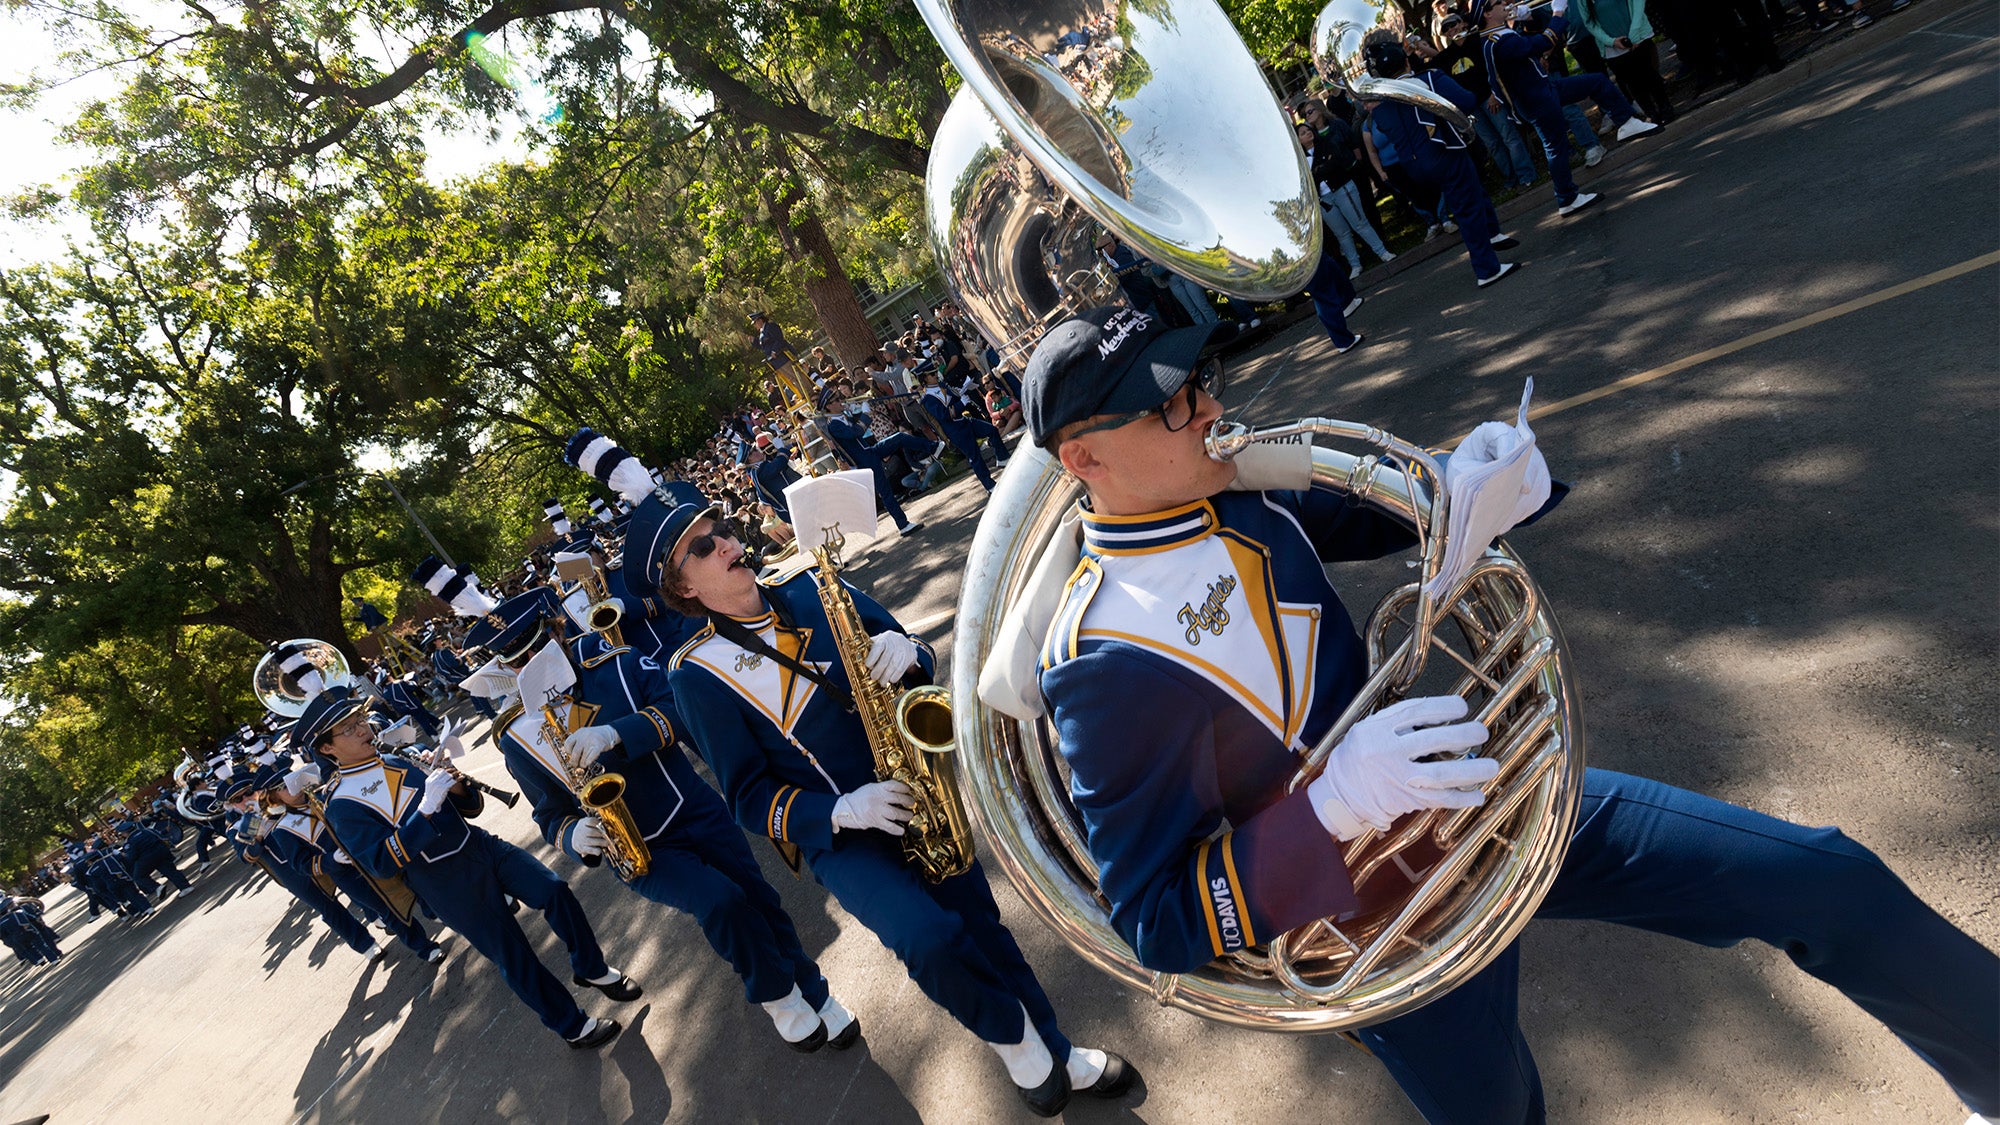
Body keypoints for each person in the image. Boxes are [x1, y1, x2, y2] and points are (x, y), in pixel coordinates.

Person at [1017, 306, 2000, 1124]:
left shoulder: (1242, 494)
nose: (1212, 409)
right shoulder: (1098, 662)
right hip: (1372, 930)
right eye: (1175, 402)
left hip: (1479, 807)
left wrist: (1483, 477)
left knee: (1826, 882)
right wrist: (1331, 808)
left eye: (1201, 381)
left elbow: (1409, 506)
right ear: (1084, 456)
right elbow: (1154, 921)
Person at [658, 504, 1136, 1117]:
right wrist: (842, 811)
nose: (724, 543)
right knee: (928, 939)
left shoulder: (809, 582)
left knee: (982, 927)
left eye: (721, 530)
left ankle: (1060, 1051)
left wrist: (903, 649)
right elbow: (749, 798)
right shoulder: (694, 672)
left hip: (916, 787)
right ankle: (1014, 1041)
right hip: (843, 835)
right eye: (701, 548)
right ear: (685, 588)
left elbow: (916, 654)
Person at [471, 576, 861, 1052]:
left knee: (759, 899)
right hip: (635, 846)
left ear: (556, 631)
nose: (531, 667)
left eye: (539, 649)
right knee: (720, 902)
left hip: (690, 804)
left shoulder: (614, 660)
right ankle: (779, 997)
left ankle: (816, 993)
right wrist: (571, 833)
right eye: (517, 663)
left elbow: (681, 708)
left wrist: (616, 734)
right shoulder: (515, 734)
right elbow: (548, 811)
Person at [307, 685, 634, 1048]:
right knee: (513, 954)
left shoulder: (400, 757)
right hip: (443, 881)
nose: (364, 729)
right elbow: (381, 863)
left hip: (479, 845)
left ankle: (591, 968)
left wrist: (457, 785)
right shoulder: (341, 805)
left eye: (360, 720)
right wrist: (426, 809)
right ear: (327, 748)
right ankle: (572, 1025)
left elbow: (471, 809)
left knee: (554, 889)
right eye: (349, 729)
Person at [1360, 37, 1522, 288]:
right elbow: (1467, 100)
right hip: (1443, 154)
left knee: (1473, 190)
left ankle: (1493, 233)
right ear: (1406, 61)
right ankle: (1486, 269)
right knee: (1466, 208)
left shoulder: (1382, 105)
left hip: (1413, 167)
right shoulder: (1429, 79)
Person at [1479, 0, 1660, 217]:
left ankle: (1626, 122)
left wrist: (1520, 20)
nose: (1504, 3)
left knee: (1597, 82)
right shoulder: (1498, 41)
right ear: (1487, 14)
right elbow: (1542, 43)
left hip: (1544, 89)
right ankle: (1566, 198)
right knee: (1556, 147)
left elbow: (1525, 47)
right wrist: (1558, 12)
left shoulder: (1498, 36)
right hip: (1537, 99)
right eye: (1497, 3)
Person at [1572, 0, 1676, 122]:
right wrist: (1611, 41)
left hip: (1638, 38)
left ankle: (1666, 109)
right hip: (1613, 48)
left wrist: (1634, 34)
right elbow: (1590, 23)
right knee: (1633, 83)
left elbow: (1638, 6)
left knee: (1650, 75)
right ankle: (1652, 114)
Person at [919, 368, 1008, 492]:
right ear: (925, 378)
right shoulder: (927, 399)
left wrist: (961, 392)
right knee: (975, 456)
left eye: (935, 373)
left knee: (991, 430)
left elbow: (953, 398)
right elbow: (944, 416)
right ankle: (989, 486)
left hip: (964, 421)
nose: (936, 375)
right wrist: (960, 404)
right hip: (955, 430)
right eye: (932, 374)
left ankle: (1002, 458)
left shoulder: (942, 385)